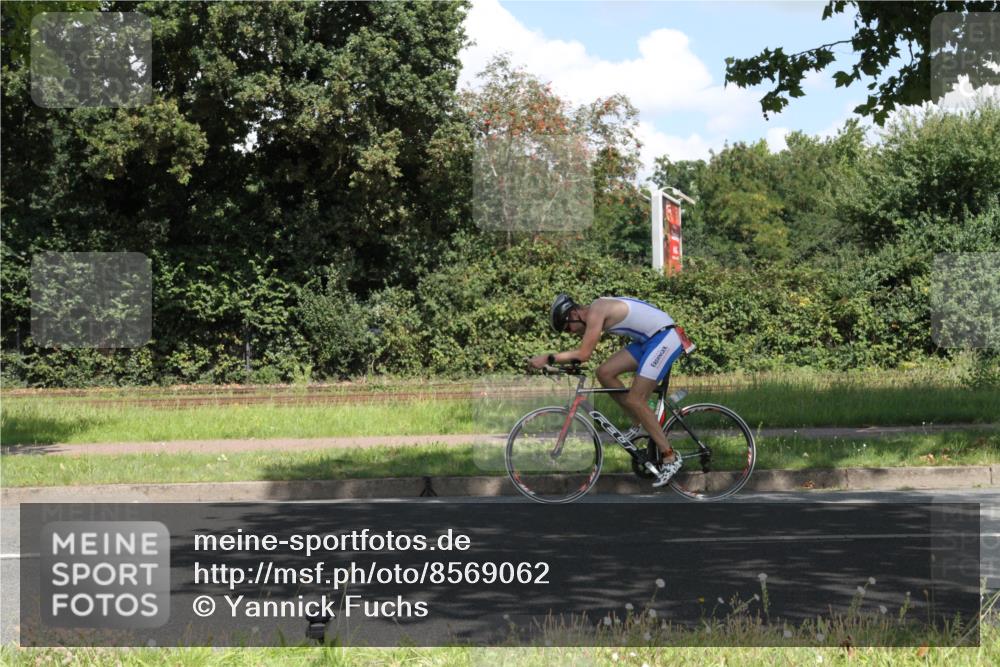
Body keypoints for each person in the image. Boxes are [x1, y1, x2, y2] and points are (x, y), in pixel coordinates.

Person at [529, 294, 689, 487]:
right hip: (648, 340)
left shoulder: (597, 310)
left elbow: (584, 354)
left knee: (635, 399)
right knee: (604, 373)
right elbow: (582, 357)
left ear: (574, 313)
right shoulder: (596, 310)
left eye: (567, 327)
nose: (570, 332)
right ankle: (640, 423)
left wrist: (548, 357)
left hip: (665, 338)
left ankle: (670, 457)